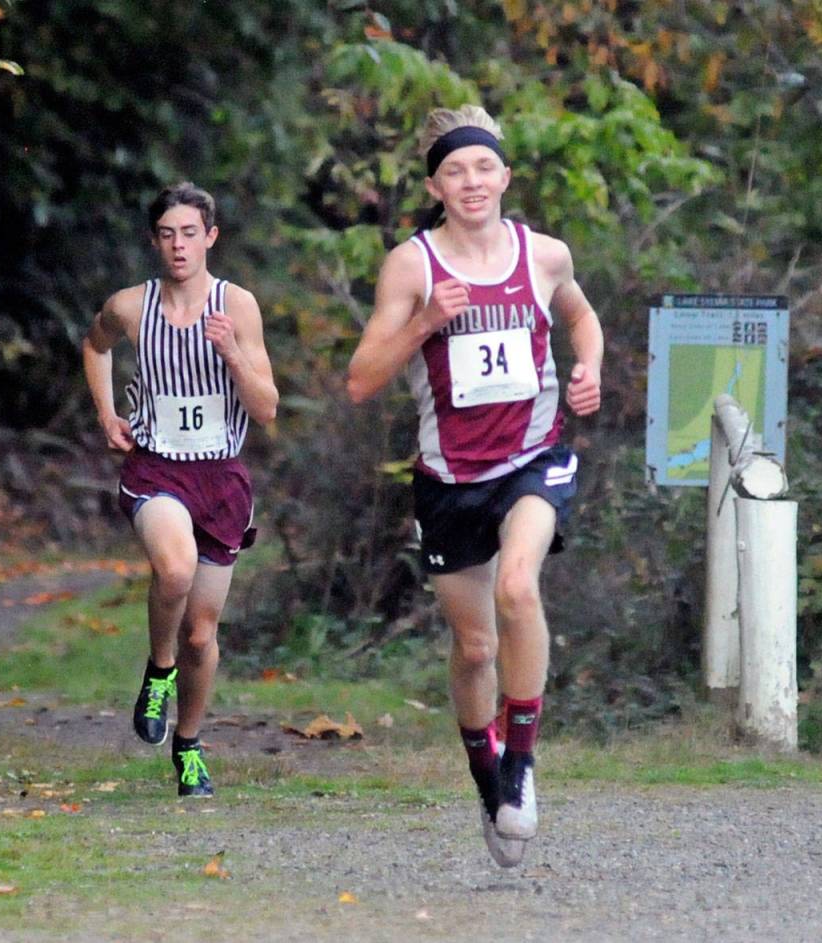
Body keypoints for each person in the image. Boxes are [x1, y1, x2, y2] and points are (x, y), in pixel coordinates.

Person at [346, 106, 603, 866]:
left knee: (518, 587)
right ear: (436, 184)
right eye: (455, 170)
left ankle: (521, 764)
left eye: (483, 167)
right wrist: (426, 320)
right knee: (474, 645)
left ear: (505, 177)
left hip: (533, 456)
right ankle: (485, 769)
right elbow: (361, 380)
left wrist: (588, 367)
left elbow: (581, 316)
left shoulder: (544, 254)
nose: (471, 182)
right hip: (449, 477)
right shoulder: (414, 265)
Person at [82, 181, 278, 797]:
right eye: (167, 235)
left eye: (189, 233)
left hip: (220, 479)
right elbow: (94, 345)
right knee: (174, 568)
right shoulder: (131, 306)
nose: (178, 246)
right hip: (156, 469)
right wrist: (106, 413)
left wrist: (232, 354)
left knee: (202, 634)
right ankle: (157, 672)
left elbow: (267, 407)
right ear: (154, 241)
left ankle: (189, 746)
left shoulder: (237, 307)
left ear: (211, 238)